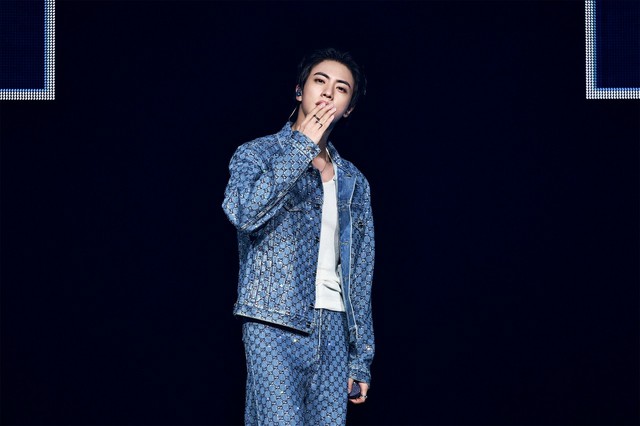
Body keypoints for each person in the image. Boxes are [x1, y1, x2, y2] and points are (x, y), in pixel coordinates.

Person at [222, 47, 375, 425]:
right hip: (273, 320)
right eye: (319, 81)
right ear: (299, 90)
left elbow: (361, 269)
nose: (328, 92)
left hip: (335, 326)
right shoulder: (256, 154)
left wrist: (361, 356)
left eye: (342, 88)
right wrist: (300, 148)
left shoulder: (354, 180)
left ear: (349, 108)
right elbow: (244, 214)